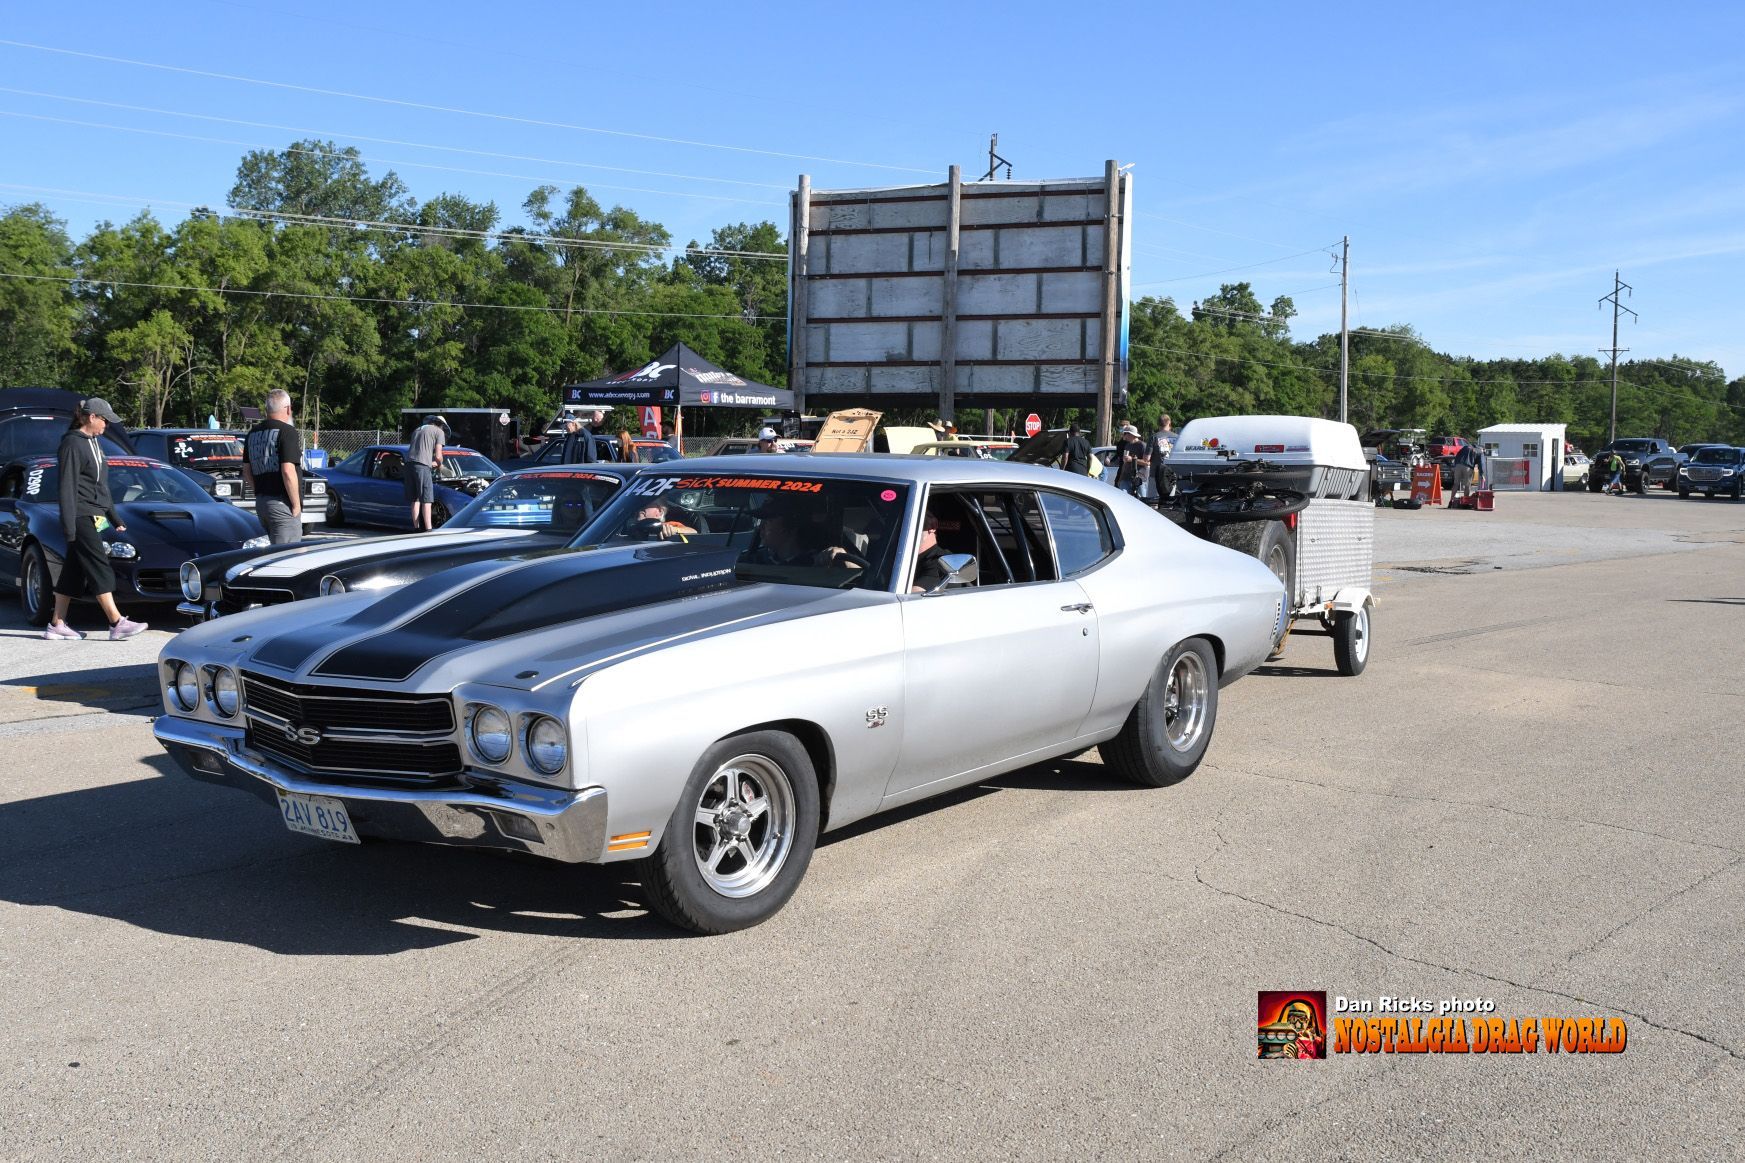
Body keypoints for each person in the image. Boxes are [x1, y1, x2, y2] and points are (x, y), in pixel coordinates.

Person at [44, 397, 148, 641]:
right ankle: (116, 622)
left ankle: (57, 624)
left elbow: (100, 486)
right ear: (91, 417)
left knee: (73, 571)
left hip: (94, 515)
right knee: (99, 565)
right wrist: (69, 527)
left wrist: (113, 516)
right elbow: (67, 487)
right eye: (104, 420)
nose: (106, 426)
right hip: (79, 514)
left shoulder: (95, 444)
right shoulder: (71, 444)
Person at [241, 388, 303, 545]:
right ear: (288, 409)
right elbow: (288, 471)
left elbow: (246, 471)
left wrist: (260, 492)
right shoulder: (287, 432)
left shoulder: (252, 433)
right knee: (287, 557)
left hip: (262, 504)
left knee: (270, 554)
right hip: (282, 505)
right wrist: (296, 505)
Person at [405, 414, 447, 530]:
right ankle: (428, 530)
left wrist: (430, 462)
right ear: (441, 425)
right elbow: (438, 456)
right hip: (422, 467)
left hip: (409, 465)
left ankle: (416, 528)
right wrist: (439, 463)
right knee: (427, 499)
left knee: (415, 499)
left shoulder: (418, 429)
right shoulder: (439, 432)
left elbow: (420, 450)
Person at [910, 511, 952, 592]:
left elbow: (912, 596)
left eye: (915, 523)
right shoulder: (894, 558)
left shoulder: (940, 562)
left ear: (933, 526)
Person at [1114, 423, 1149, 497]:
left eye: (1125, 434)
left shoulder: (1142, 446)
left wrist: (1132, 459)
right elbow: (1125, 463)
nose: (1124, 436)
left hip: (1140, 477)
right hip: (1126, 477)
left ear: (1131, 434)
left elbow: (1147, 463)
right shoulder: (1127, 445)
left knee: (1142, 499)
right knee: (1122, 497)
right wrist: (1120, 478)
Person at [1151, 414, 1177, 501]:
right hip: (1172, 475)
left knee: (1153, 502)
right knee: (1171, 502)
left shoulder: (1154, 437)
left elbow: (1146, 458)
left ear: (1158, 423)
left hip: (1155, 474)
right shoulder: (1177, 438)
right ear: (1169, 422)